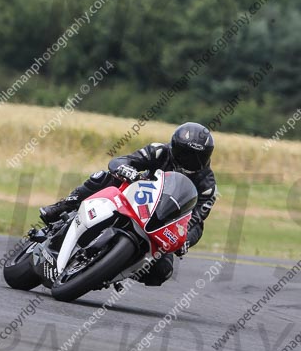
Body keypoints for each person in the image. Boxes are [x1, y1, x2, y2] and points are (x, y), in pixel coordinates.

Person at [39, 122, 218, 286]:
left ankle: (112, 269)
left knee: (162, 271)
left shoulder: (207, 185)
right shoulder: (159, 151)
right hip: (134, 197)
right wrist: (127, 170)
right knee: (105, 177)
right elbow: (122, 161)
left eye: (196, 156)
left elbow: (196, 220)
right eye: (184, 153)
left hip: (161, 223)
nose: (188, 159)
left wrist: (186, 240)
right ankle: (65, 205)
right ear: (174, 147)